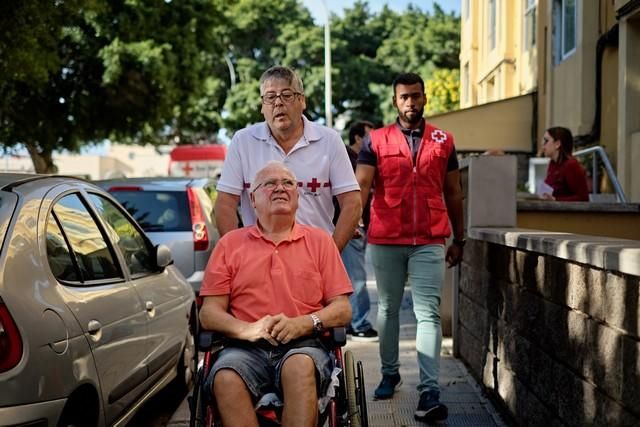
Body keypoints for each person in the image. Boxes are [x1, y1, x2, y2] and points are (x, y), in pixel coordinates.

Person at [199, 161, 353, 427]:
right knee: (224, 377)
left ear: (297, 197)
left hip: (304, 345)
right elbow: (209, 312)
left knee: (299, 366)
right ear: (252, 199)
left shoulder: (320, 242)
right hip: (244, 348)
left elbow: (342, 308)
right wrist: (248, 330)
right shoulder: (230, 245)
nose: (280, 188)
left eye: (288, 183)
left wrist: (303, 323)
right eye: (270, 183)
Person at [355, 72, 465, 423]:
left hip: (430, 238)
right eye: (404, 97)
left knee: (427, 313)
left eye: (416, 96)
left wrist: (459, 238)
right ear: (394, 101)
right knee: (387, 309)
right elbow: (362, 186)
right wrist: (354, 220)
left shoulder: (443, 140)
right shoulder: (376, 140)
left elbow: (454, 193)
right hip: (387, 236)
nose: (411, 103)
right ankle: (390, 373)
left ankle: (429, 390)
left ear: (425, 98)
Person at [214, 65, 361, 251]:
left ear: (302, 100)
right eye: (270, 97)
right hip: (258, 257)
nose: (278, 103)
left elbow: (352, 202)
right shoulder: (243, 141)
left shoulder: (329, 141)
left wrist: (331, 252)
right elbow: (225, 204)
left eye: (286, 95)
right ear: (262, 106)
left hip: (313, 256)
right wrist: (237, 255)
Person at [340, 120, 378, 341]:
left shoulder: (363, 159)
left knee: (352, 276)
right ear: (358, 138)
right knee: (357, 277)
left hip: (359, 225)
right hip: (352, 226)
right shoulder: (347, 158)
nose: (374, 142)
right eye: (369, 136)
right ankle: (359, 323)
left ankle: (352, 322)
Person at [541, 126, 589, 201]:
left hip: (567, 212)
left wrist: (555, 199)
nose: (543, 145)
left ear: (557, 144)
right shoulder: (553, 163)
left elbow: (583, 198)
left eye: (546, 141)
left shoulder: (571, 165)